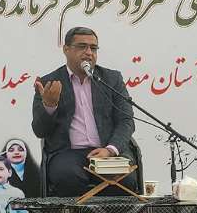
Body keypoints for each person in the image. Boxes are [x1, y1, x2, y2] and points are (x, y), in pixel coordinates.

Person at [32, 26, 138, 197]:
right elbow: (40, 130)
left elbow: (126, 120)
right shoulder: (48, 83)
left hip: (107, 151)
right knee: (68, 178)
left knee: (124, 179)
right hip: (67, 153)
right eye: (82, 46)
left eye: (93, 48)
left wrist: (110, 149)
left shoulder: (111, 79)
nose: (89, 52)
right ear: (66, 50)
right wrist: (49, 106)